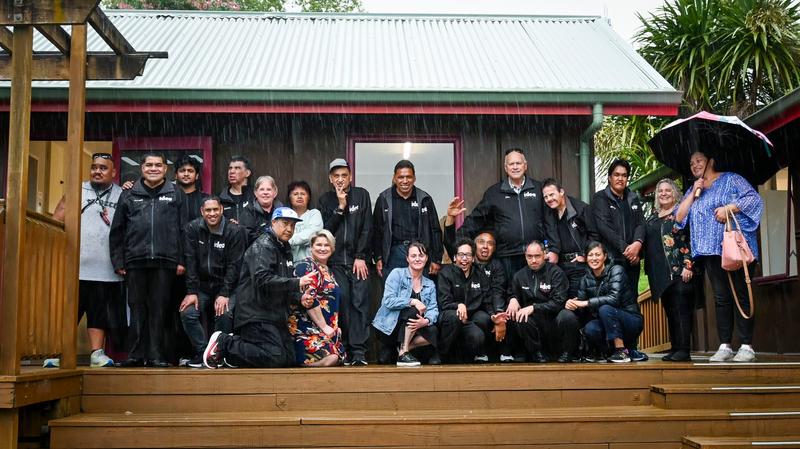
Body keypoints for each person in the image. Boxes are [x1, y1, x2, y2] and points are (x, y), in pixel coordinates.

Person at [675, 151, 763, 363]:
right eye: (691, 162)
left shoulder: (732, 179)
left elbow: (754, 199)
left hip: (734, 249)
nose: (694, 165)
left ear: (711, 161)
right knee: (721, 298)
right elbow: (678, 218)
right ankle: (725, 345)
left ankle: (746, 345)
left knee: (741, 293)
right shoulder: (694, 189)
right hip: (709, 252)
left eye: (699, 161)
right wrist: (693, 192)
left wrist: (729, 207)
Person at [202, 207, 317, 368]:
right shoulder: (263, 245)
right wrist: (296, 283)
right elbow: (262, 280)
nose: (289, 229)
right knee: (275, 357)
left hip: (276, 315)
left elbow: (283, 285)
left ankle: (234, 357)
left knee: (289, 359)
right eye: (285, 223)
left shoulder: (285, 249)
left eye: (293, 225)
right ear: (273, 223)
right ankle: (224, 342)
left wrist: (300, 298)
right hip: (256, 314)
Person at [46, 153, 124, 368]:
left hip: (106, 268)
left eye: (103, 168)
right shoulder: (75, 190)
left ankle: (96, 354)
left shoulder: (121, 194)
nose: (97, 171)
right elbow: (55, 222)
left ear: (113, 172)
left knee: (99, 313)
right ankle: (58, 353)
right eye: (94, 167)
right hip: (75, 266)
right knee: (69, 311)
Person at [110, 152, 186, 367]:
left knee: (159, 309)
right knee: (136, 308)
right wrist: (118, 261)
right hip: (135, 261)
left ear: (165, 169)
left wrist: (182, 260)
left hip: (165, 261)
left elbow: (183, 230)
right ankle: (135, 355)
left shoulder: (175, 193)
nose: (154, 168)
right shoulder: (129, 194)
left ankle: (156, 355)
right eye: (149, 165)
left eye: (158, 165)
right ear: (142, 168)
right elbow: (117, 231)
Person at [454, 148, 556, 281]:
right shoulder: (494, 193)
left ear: (525, 166)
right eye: (511, 164)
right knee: (510, 297)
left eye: (518, 163)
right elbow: (476, 220)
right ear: (505, 168)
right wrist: (460, 243)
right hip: (506, 258)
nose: (515, 167)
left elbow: (550, 222)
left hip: (535, 256)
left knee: (536, 297)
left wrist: (554, 249)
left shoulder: (539, 189)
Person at [179, 196, 246, 368]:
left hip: (227, 286)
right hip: (201, 286)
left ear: (222, 210)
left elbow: (235, 266)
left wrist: (224, 293)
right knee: (187, 313)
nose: (212, 214)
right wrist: (192, 291)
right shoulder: (192, 228)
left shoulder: (234, 231)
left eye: (215, 209)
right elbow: (190, 261)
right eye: (208, 210)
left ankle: (220, 354)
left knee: (223, 313)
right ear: (202, 212)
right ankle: (204, 353)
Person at [318, 158, 373, 366]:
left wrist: (361, 255)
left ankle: (359, 352)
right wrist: (340, 207)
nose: (340, 180)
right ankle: (345, 350)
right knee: (343, 304)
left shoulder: (362, 195)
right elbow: (325, 232)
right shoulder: (325, 200)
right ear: (331, 179)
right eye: (336, 176)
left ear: (350, 177)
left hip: (358, 261)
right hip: (335, 263)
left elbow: (368, 227)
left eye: (344, 175)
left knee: (360, 304)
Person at [443, 201, 512, 362]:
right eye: (481, 242)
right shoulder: (466, 261)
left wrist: (498, 315)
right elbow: (451, 244)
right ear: (474, 246)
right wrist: (450, 219)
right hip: (458, 311)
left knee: (486, 319)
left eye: (490, 244)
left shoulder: (496, 266)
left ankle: (489, 353)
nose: (485, 247)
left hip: (484, 311)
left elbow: (497, 293)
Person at [644, 179, 695, 362]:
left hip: (679, 271)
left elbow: (690, 239)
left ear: (675, 193)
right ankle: (675, 347)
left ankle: (684, 350)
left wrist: (688, 265)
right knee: (670, 311)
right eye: (660, 191)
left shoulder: (680, 213)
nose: (663, 193)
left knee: (681, 310)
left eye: (668, 190)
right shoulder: (652, 216)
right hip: (660, 274)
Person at [568, 241, 643, 363]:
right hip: (606, 323)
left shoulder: (616, 270)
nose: (594, 258)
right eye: (590, 255)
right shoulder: (585, 280)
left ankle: (621, 351)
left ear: (605, 256)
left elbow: (614, 299)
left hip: (630, 320)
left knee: (605, 308)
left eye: (598, 255)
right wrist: (572, 304)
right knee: (590, 328)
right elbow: (581, 306)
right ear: (586, 258)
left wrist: (586, 303)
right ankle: (605, 352)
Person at [372, 160, 443, 280]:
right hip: (393, 254)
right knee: (394, 295)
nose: (405, 181)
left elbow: (435, 230)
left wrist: (436, 259)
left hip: (419, 253)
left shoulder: (425, 199)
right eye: (401, 177)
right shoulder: (384, 199)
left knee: (419, 294)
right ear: (394, 178)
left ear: (414, 178)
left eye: (408, 177)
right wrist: (378, 257)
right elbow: (376, 230)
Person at [373, 242, 439, 367]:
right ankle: (403, 354)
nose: (417, 259)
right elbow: (388, 300)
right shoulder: (397, 274)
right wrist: (412, 301)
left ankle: (402, 349)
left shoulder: (429, 284)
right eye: (413, 256)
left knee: (434, 331)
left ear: (426, 258)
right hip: (389, 327)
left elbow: (433, 308)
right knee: (414, 310)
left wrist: (426, 321)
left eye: (421, 255)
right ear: (407, 259)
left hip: (415, 328)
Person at [506, 240, 569, 363]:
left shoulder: (556, 272)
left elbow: (559, 302)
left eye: (537, 256)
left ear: (545, 255)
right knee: (519, 317)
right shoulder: (519, 275)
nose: (533, 260)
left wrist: (534, 307)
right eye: (530, 256)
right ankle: (536, 354)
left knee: (567, 316)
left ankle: (567, 353)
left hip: (553, 319)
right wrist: (512, 299)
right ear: (525, 256)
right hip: (532, 323)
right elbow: (511, 292)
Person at [289, 230, 346, 367]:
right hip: (307, 329)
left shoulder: (328, 270)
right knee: (331, 358)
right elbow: (309, 299)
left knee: (339, 358)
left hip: (326, 331)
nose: (322, 248)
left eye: (326, 245)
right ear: (311, 247)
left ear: (332, 248)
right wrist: (324, 326)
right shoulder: (306, 266)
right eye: (318, 245)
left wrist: (334, 327)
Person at [591, 159, 645, 297]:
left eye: (624, 175)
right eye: (616, 175)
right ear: (610, 178)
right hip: (612, 261)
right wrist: (628, 250)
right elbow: (605, 228)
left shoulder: (633, 197)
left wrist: (637, 244)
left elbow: (641, 223)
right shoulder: (600, 198)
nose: (620, 178)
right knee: (613, 300)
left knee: (632, 300)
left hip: (632, 261)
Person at [437, 238, 496, 363]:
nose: (464, 259)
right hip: (450, 315)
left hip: (470, 318)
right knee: (454, 317)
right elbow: (444, 302)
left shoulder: (479, 274)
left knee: (482, 324)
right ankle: (441, 355)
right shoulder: (445, 273)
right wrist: (458, 305)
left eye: (468, 255)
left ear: (473, 258)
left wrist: (494, 317)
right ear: (454, 257)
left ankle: (472, 355)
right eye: (461, 255)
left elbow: (487, 300)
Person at [542, 178, 597, 297]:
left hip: (578, 265)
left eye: (552, 194)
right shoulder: (549, 213)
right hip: (559, 266)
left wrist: (586, 255)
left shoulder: (581, 209)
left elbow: (594, 235)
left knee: (576, 303)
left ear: (561, 192)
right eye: (546, 197)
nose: (549, 199)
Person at [239, 175, 282, 245]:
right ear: (256, 193)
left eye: (269, 189)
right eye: (262, 189)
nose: (265, 192)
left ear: (275, 193)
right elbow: (247, 237)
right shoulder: (248, 211)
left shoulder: (282, 211)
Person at [286, 180, 323, 260]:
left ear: (308, 197)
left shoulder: (314, 214)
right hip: (287, 263)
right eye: (295, 194)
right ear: (290, 197)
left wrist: (287, 241)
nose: (299, 196)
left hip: (309, 263)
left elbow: (312, 234)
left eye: (303, 194)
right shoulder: (285, 216)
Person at [219, 155, 254, 223]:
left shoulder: (256, 196)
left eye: (237, 168)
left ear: (247, 173)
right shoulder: (220, 198)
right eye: (230, 168)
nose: (232, 171)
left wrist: (242, 227)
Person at [174, 155, 207, 224]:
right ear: (176, 175)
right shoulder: (169, 198)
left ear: (197, 176)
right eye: (182, 171)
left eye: (190, 171)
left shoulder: (206, 200)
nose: (186, 174)